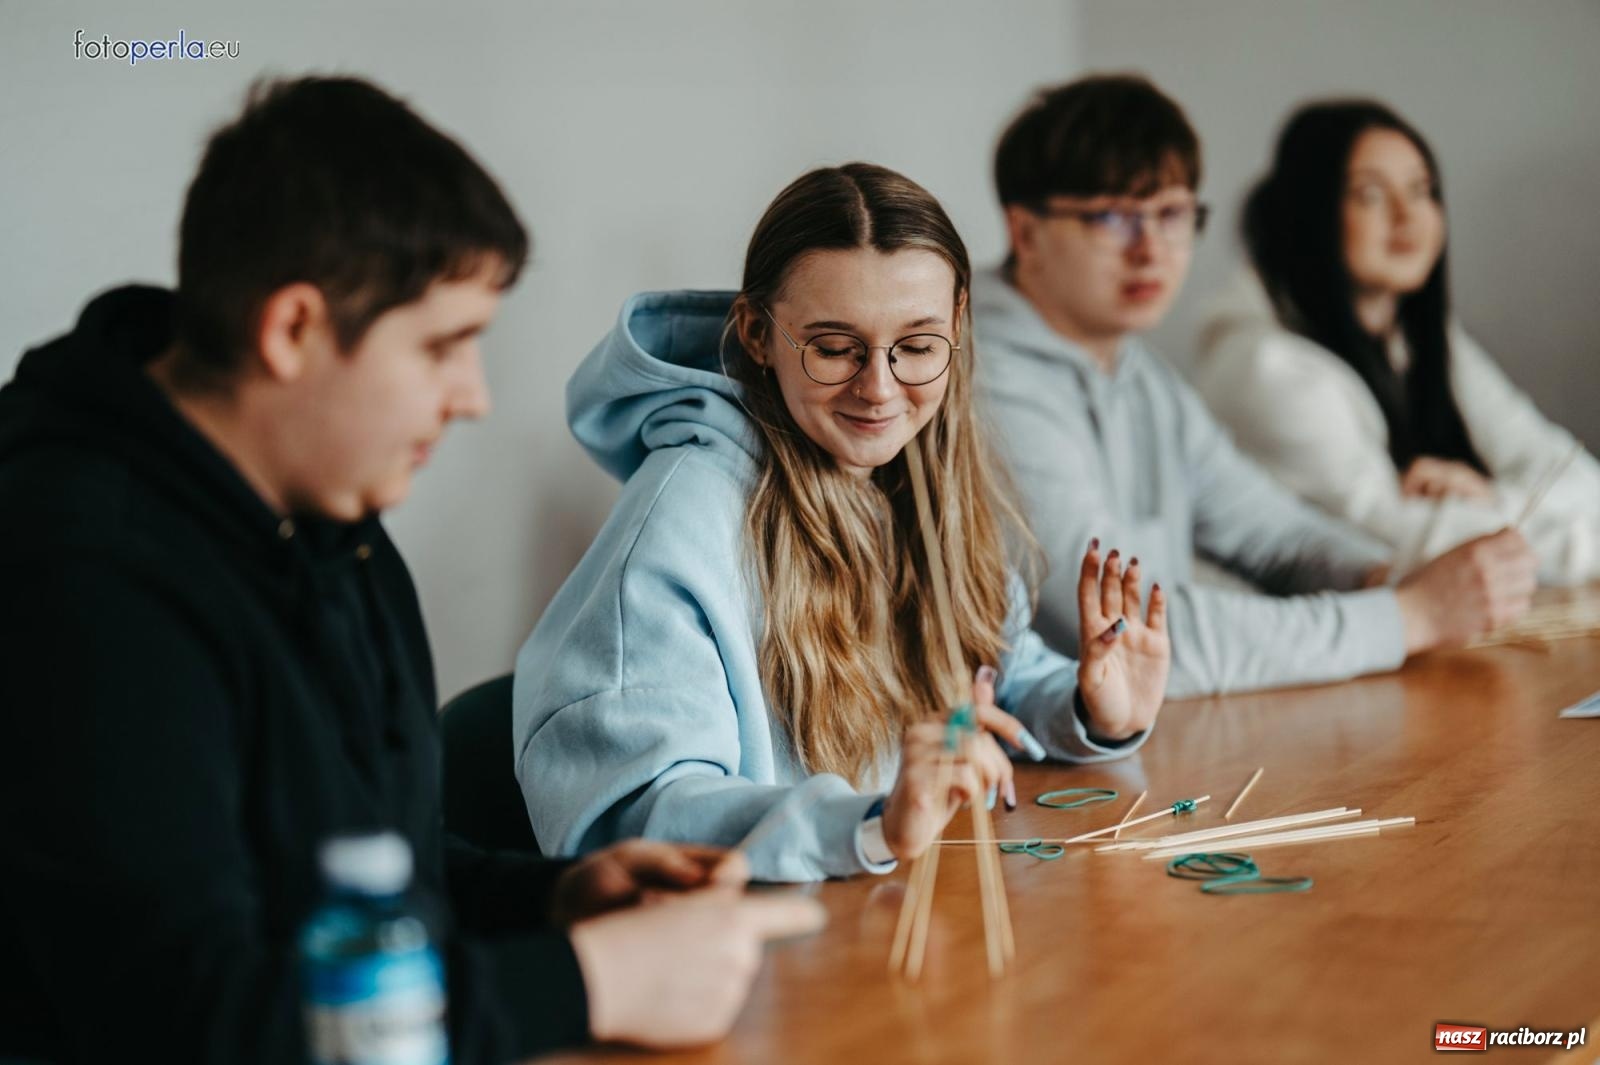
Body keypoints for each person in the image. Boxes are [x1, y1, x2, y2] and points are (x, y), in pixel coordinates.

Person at [0, 76, 820, 1065]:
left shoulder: (327, 513)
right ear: (293, 329)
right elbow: (188, 1018)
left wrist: (556, 900)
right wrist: (592, 980)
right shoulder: (82, 574)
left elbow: (352, 869)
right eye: (443, 346)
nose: (471, 396)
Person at [513, 162, 1171, 883]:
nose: (880, 389)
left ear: (956, 327)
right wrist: (871, 824)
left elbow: (999, 676)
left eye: (917, 347)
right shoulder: (684, 522)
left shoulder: (917, 471)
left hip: (884, 906)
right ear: (758, 334)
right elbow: (634, 817)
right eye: (834, 348)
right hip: (765, 953)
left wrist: (1088, 706)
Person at [973, 74, 1537, 698]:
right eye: (1112, 217)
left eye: (1172, 214)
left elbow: (1272, 532)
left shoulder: (1138, 372)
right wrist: (1411, 615)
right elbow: (1124, 640)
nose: (1151, 249)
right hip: (1032, 769)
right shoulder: (989, 383)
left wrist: (1390, 575)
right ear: (1024, 232)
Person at [1193, 99, 1600, 583]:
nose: (1408, 215)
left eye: (1422, 190)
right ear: (1311, 212)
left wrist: (1490, 496)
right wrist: (1582, 544)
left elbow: (1575, 472)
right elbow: (1394, 542)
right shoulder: (1263, 366)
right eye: (1371, 194)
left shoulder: (1420, 339)